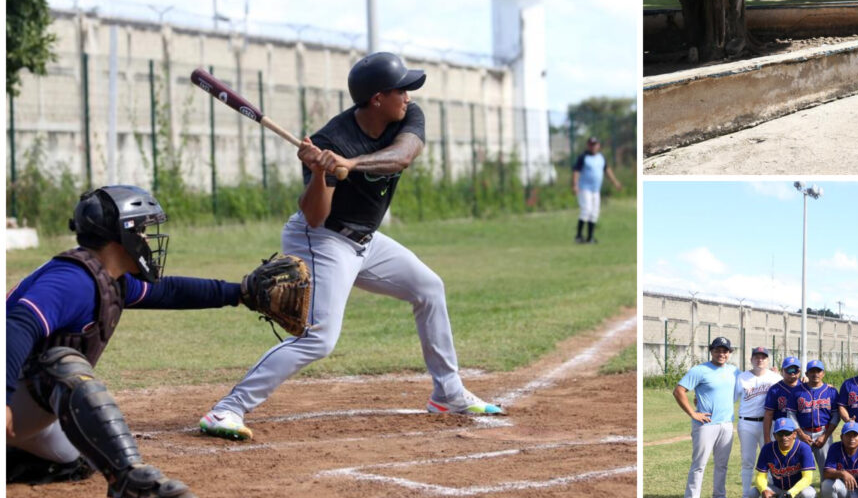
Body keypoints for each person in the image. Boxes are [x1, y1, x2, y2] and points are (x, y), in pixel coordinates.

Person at [200, 52, 502, 443]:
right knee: (319, 337)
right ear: (377, 98)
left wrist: (350, 164)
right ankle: (229, 408)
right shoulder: (330, 139)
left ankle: (448, 394)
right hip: (324, 239)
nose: (408, 96)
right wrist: (322, 174)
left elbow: (402, 156)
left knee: (429, 288)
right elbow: (314, 216)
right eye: (401, 90)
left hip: (366, 240)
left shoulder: (406, 117)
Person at [6, 186, 250, 497]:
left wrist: (240, 293)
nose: (148, 239)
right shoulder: (74, 281)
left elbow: (169, 291)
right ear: (124, 235)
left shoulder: (108, 278)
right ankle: (129, 482)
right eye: (144, 230)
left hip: (30, 405)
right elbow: (15, 326)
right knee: (63, 366)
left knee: (79, 455)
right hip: (13, 391)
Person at [675, 336, 740, 498]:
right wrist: (692, 412)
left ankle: (719, 495)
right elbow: (679, 391)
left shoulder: (734, 371)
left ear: (729, 353)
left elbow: (753, 381)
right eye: (717, 350)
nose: (721, 354)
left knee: (722, 465)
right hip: (706, 425)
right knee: (699, 465)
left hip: (726, 425)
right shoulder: (700, 370)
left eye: (725, 351)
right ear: (711, 351)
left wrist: (774, 373)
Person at [740, 347, 786, 498]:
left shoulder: (775, 377)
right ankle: (746, 494)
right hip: (746, 423)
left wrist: (804, 380)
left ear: (767, 360)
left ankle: (771, 492)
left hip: (768, 424)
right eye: (756, 357)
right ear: (751, 359)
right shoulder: (741, 377)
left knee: (771, 459)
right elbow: (728, 396)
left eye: (763, 357)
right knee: (748, 460)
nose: (760, 359)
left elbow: (791, 385)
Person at [571, 136, 622, 244]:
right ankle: (579, 237)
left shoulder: (601, 157)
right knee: (586, 210)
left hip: (596, 190)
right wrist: (575, 185)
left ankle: (590, 238)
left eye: (595, 144)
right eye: (591, 144)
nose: (593, 146)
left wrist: (615, 182)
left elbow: (607, 170)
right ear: (588, 145)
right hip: (584, 188)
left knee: (594, 212)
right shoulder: (583, 157)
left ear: (598, 145)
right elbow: (576, 171)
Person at [751, 417, 818, 498]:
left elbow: (807, 478)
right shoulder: (767, 449)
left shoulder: (804, 448)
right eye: (780, 433)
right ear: (775, 436)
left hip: (798, 489)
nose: (784, 437)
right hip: (777, 489)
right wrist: (764, 489)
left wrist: (791, 493)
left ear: (794, 434)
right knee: (754, 492)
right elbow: (760, 476)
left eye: (787, 433)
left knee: (808, 494)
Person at [796, 360, 839, 472]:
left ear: (823, 373)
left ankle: (825, 490)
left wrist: (825, 436)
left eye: (818, 371)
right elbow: (791, 414)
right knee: (798, 470)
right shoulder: (797, 391)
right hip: (802, 434)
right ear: (806, 374)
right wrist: (801, 434)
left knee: (827, 470)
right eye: (812, 371)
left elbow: (836, 415)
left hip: (823, 432)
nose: (815, 374)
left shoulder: (831, 391)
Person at [822, 421, 858, 498]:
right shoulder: (835, 448)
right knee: (827, 484)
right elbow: (826, 473)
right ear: (841, 437)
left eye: (855, 435)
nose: (851, 438)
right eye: (848, 435)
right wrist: (842, 473)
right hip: (844, 489)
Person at [766, 356, 805, 445]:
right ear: (782, 371)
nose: (792, 373)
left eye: (795, 370)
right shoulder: (774, 389)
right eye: (789, 370)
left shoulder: (805, 387)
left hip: (802, 428)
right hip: (781, 429)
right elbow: (768, 414)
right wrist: (767, 438)